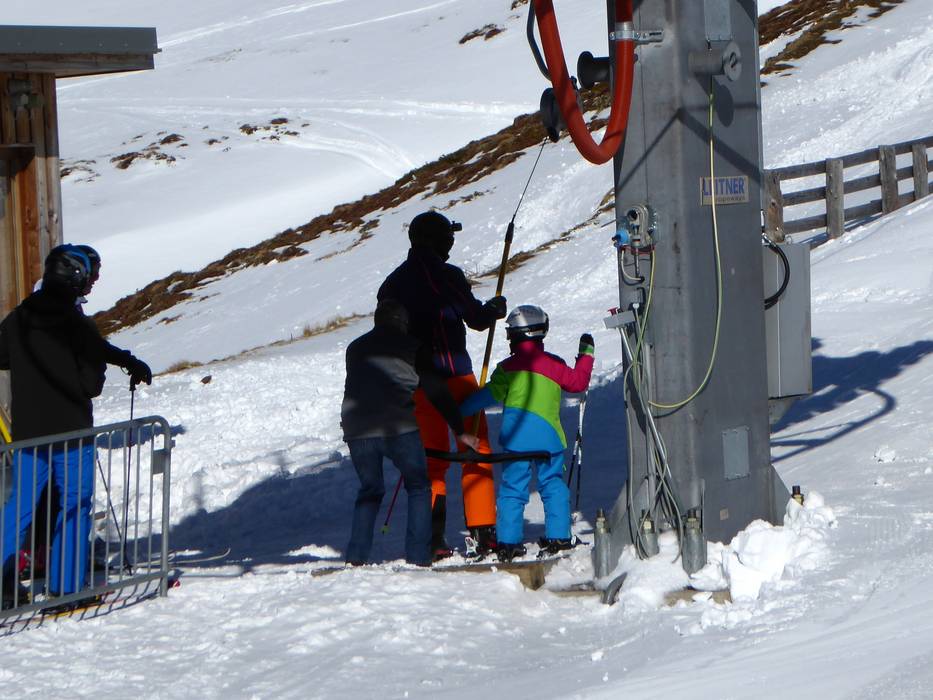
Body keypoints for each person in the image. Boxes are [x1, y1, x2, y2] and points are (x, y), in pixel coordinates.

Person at [0, 244, 152, 609]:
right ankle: (66, 589)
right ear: (75, 277)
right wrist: (103, 367)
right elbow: (91, 383)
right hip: (71, 432)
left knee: (19, 508)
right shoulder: (76, 323)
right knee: (73, 505)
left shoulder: (19, 318)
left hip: (28, 434)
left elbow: (2, 356)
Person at [378, 210, 507, 559]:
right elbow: (475, 319)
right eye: (448, 237)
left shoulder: (392, 284)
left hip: (416, 385)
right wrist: (494, 309)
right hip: (456, 377)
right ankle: (483, 533)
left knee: (431, 461)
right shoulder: (448, 275)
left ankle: (432, 540)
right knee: (475, 451)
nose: (451, 244)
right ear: (436, 240)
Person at [341, 299, 478, 567]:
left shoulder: (354, 348)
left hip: (357, 427)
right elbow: (436, 391)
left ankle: (356, 558)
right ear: (404, 323)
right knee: (418, 486)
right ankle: (418, 557)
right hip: (398, 427)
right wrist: (460, 431)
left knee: (370, 490)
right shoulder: (413, 347)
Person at [460, 305, 594, 562]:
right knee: (553, 485)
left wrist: (457, 410)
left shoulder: (506, 369)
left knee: (512, 489)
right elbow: (578, 382)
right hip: (548, 441)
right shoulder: (554, 365)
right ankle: (559, 537)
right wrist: (586, 355)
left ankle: (508, 542)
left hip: (516, 442)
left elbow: (486, 397)